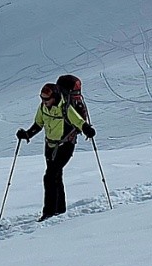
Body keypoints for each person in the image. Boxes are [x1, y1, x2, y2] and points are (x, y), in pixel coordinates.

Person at [17, 81, 94, 219]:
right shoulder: (43, 107)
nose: (44, 101)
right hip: (49, 146)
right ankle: (60, 209)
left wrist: (87, 129)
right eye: (42, 98)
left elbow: (78, 121)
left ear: (55, 97)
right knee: (56, 176)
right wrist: (27, 134)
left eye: (46, 99)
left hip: (66, 145)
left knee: (50, 177)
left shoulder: (65, 108)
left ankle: (49, 212)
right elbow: (38, 124)